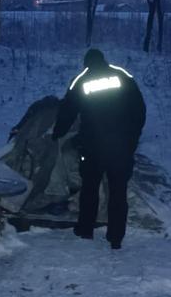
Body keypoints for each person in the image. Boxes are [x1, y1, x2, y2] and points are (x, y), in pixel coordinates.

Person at [52, 49, 146, 249]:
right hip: (121, 148)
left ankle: (85, 229)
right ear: (104, 60)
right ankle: (116, 237)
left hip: (93, 147)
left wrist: (57, 133)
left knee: (90, 189)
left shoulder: (82, 80)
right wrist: (132, 139)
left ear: (86, 64)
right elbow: (139, 110)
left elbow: (68, 111)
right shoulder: (122, 76)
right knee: (118, 192)